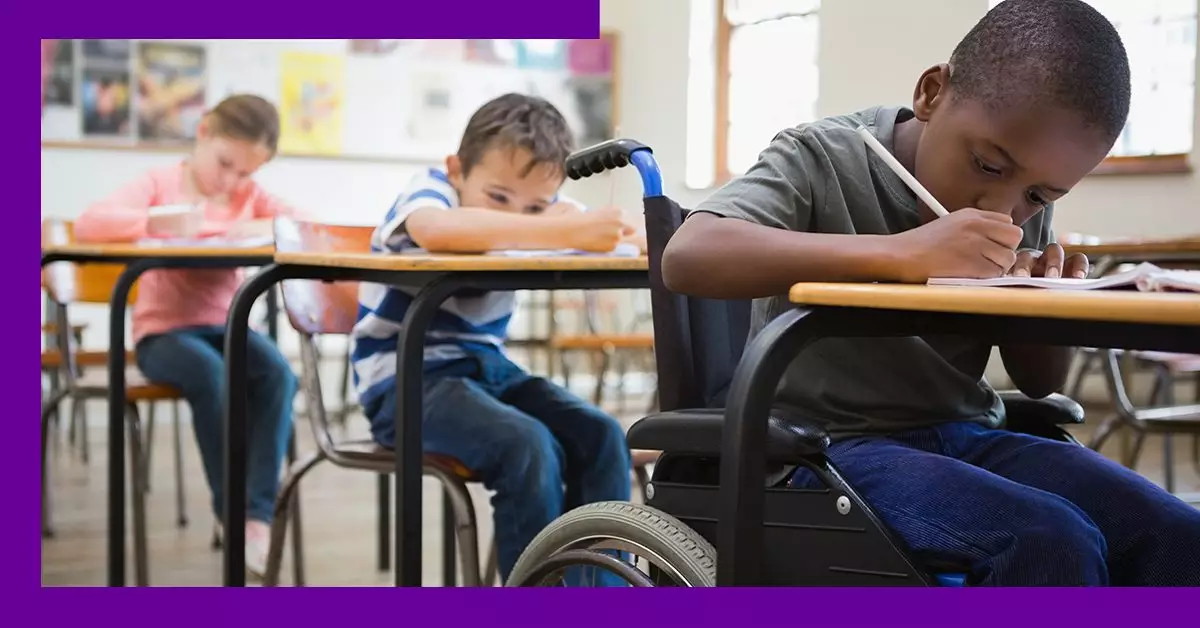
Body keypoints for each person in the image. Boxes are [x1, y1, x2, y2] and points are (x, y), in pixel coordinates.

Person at [661, 0, 1200, 586]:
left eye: (1040, 196)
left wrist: (1044, 304)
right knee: (1048, 541)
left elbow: (1039, 381)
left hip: (969, 434)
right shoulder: (822, 158)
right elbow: (690, 255)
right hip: (824, 446)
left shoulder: (1020, 208)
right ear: (932, 92)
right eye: (987, 165)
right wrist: (902, 254)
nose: (1004, 208)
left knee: (1177, 538)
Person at [350, 93, 639, 582]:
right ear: (456, 169)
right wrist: (550, 227)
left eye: (534, 206)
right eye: (498, 198)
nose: (519, 216)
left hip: (489, 371)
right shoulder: (431, 189)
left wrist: (629, 232)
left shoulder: (549, 208)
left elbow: (625, 239)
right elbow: (437, 229)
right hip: (404, 383)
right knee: (526, 444)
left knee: (603, 436)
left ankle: (599, 597)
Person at [73, 94, 298, 578]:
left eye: (246, 173)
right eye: (225, 164)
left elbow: (296, 222)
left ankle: (256, 518)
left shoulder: (248, 195)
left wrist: (235, 223)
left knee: (278, 374)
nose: (233, 180)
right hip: (164, 336)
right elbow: (92, 222)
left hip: (227, 327)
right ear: (203, 132)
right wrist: (160, 224)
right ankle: (230, 510)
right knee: (211, 375)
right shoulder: (159, 183)